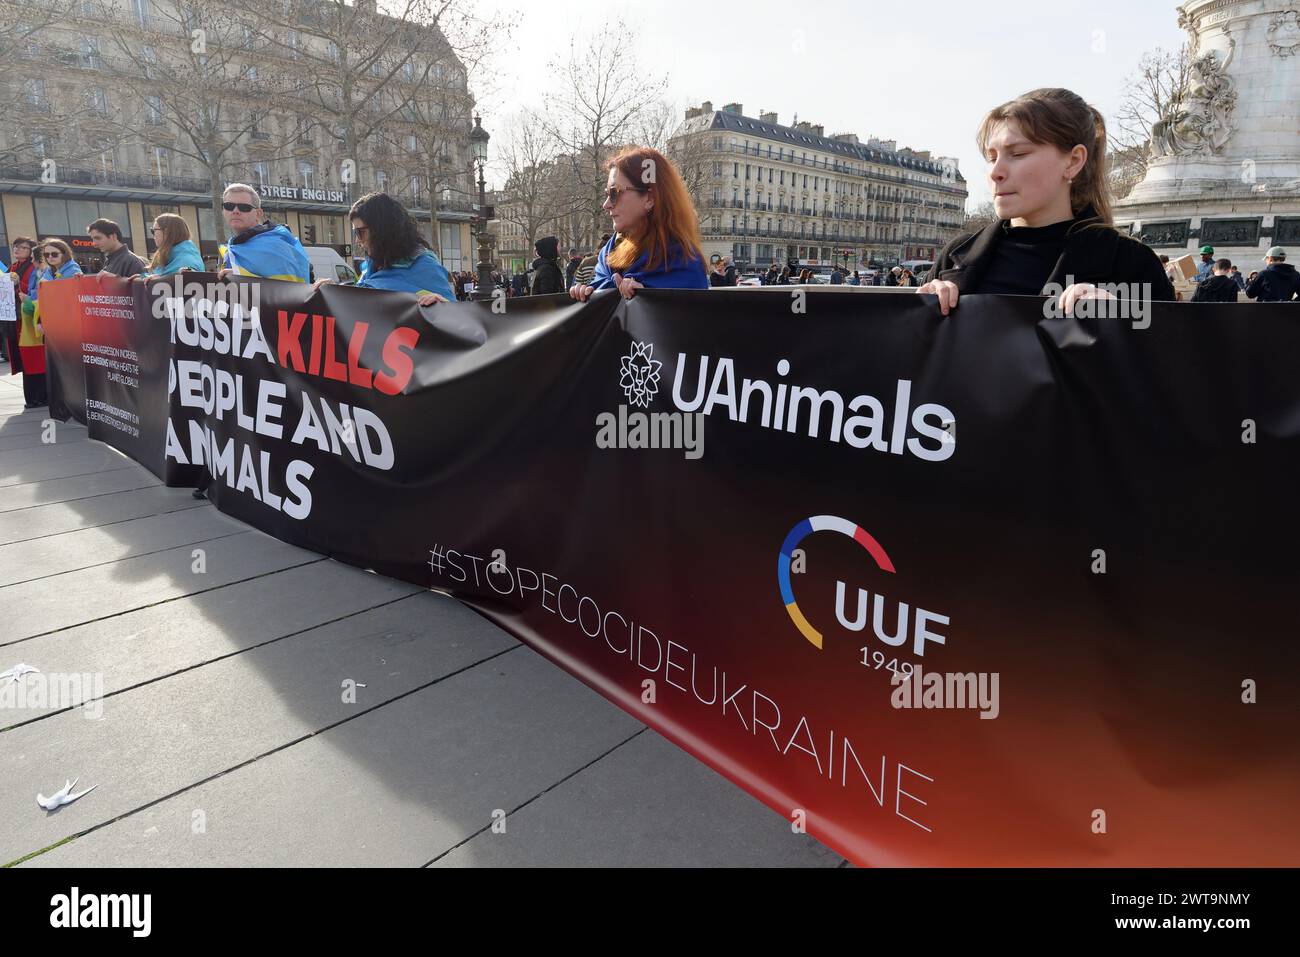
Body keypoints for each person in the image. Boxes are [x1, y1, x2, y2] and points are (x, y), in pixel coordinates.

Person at [919, 87, 1174, 317]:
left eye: (1017, 154)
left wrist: (1121, 321)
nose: (996, 171)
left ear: (1073, 161)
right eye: (991, 157)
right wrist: (921, 314)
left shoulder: (1130, 262)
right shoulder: (955, 256)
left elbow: (1171, 363)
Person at [569, 146, 709, 301]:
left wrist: (649, 300)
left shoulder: (684, 262)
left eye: (615, 193)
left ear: (649, 199)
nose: (606, 204)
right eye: (607, 194)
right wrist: (584, 294)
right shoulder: (607, 255)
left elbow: (690, 320)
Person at [312, 192, 456, 306]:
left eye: (360, 232)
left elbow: (457, 320)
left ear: (380, 230)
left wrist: (442, 305)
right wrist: (333, 291)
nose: (357, 240)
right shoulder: (370, 269)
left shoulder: (425, 266)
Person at [24, 239, 83, 409]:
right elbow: (40, 296)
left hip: (68, 325)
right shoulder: (48, 272)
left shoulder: (72, 270)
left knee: (70, 365)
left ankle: (76, 402)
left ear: (65, 253)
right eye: (47, 254)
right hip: (52, 323)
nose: (50, 257)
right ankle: (65, 400)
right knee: (58, 365)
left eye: (54, 254)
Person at [216, 183, 311, 283]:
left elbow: (291, 288)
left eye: (244, 207)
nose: (235, 211)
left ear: (258, 214)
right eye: (229, 206)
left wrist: (241, 278)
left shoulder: (276, 245)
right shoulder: (231, 247)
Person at [4, 237, 39, 366]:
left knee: (30, 355)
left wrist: (20, 283)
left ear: (31, 251)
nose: (17, 249)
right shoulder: (13, 266)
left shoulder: (33, 266)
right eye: (15, 246)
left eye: (22, 247)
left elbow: (36, 289)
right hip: (13, 314)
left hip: (27, 314)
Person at [136, 214, 204, 278]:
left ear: (167, 231)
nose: (153, 235)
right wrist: (142, 278)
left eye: (153, 230)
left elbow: (190, 276)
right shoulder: (171, 256)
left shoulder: (187, 259)